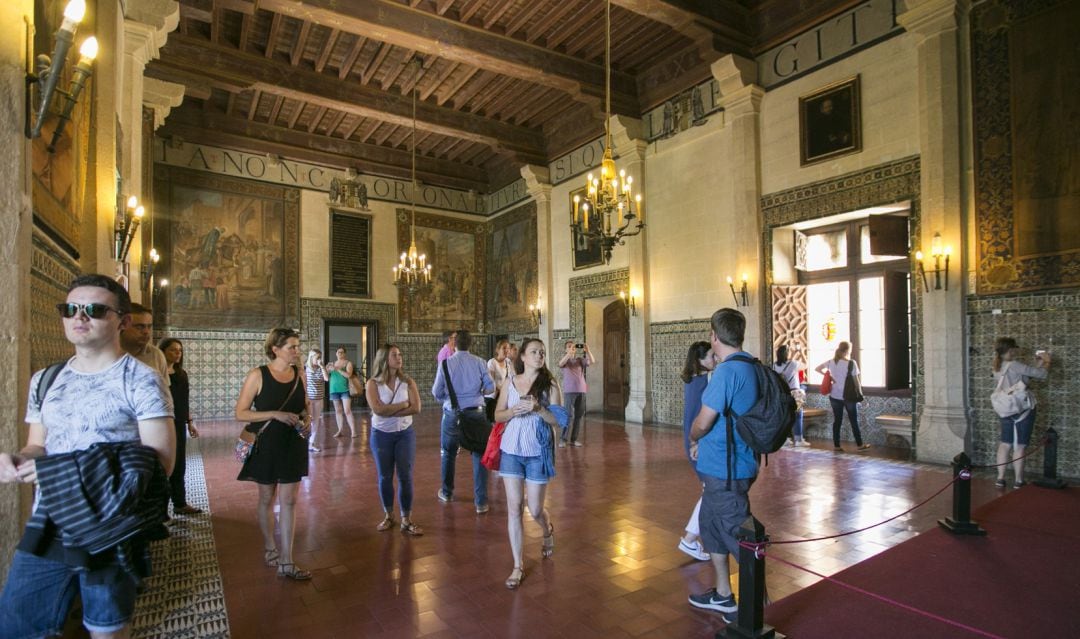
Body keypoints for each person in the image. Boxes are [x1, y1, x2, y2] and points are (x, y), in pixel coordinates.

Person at [0, 274, 176, 638]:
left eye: (94, 310)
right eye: (70, 309)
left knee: (106, 629)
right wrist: (20, 459)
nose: (79, 318)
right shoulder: (45, 379)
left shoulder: (141, 380)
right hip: (51, 519)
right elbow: (39, 445)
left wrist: (65, 471)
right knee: (18, 624)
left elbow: (160, 463)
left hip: (110, 524)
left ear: (121, 321)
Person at [687, 308, 760, 623]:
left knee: (736, 534)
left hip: (728, 469)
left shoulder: (729, 372)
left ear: (714, 336)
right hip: (724, 464)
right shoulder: (749, 365)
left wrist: (693, 436)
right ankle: (723, 595)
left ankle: (753, 608)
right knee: (711, 527)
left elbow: (703, 422)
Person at [235, 327, 312, 580]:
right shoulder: (258, 375)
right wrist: (274, 414)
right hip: (266, 444)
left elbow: (306, 406)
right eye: (292, 347)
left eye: (298, 347)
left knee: (289, 501)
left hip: (292, 444)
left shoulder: (300, 374)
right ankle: (270, 547)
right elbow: (241, 413)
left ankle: (287, 561)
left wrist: (307, 418)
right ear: (275, 349)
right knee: (267, 497)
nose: (297, 351)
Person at [494, 338, 563, 590]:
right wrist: (513, 411)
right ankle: (517, 565)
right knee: (514, 508)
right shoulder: (510, 382)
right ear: (522, 356)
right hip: (511, 450)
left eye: (542, 352)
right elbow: (497, 415)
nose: (539, 355)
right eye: (534, 352)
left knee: (534, 509)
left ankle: (547, 528)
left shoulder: (551, 385)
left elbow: (559, 420)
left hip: (537, 452)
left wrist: (537, 409)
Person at [432, 330, 494, 513]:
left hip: (452, 414)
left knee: (449, 453)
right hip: (476, 412)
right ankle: (481, 502)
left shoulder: (445, 364)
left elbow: (436, 392)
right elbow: (491, 388)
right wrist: (478, 393)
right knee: (479, 455)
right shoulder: (480, 362)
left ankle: (447, 491)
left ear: (454, 344)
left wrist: (449, 397)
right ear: (471, 344)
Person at [365, 344, 423, 535]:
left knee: (405, 476)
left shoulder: (408, 382)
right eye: (394, 355)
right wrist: (403, 404)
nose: (399, 358)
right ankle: (389, 515)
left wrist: (390, 411)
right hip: (381, 435)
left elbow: (416, 408)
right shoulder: (373, 384)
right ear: (384, 359)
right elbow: (378, 410)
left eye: (400, 354)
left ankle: (406, 519)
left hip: (404, 434)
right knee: (385, 476)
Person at [991, 337, 1051, 488]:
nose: (1017, 350)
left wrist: (1038, 364)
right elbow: (1042, 375)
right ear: (1011, 350)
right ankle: (1019, 480)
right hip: (1022, 408)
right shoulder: (1015, 364)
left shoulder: (997, 366)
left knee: (1005, 443)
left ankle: (1000, 478)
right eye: (1015, 348)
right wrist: (1047, 361)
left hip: (1005, 409)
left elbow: (1022, 380)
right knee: (1020, 446)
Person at [677, 341, 715, 562]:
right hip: (698, 443)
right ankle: (690, 539)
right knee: (710, 492)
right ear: (699, 361)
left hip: (694, 441)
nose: (714, 359)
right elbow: (697, 418)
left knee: (710, 491)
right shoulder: (703, 382)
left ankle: (694, 538)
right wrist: (695, 444)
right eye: (710, 356)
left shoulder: (695, 380)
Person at [159, 337, 202, 515]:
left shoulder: (181, 374)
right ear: (162, 352)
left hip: (178, 424)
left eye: (180, 350)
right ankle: (160, 510)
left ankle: (180, 503)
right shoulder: (157, 374)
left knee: (179, 464)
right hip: (161, 424)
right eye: (173, 350)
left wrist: (190, 422)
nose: (177, 353)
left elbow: (183, 402)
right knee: (163, 466)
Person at [815, 341, 869, 452]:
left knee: (837, 421)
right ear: (847, 350)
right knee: (853, 420)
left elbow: (817, 368)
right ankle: (859, 445)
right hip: (849, 396)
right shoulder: (851, 363)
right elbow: (856, 382)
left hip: (835, 396)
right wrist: (861, 396)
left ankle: (837, 445)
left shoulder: (831, 362)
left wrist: (829, 376)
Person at [120, 302, 169, 384]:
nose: (146, 332)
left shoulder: (156, 355)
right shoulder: (104, 354)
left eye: (149, 326)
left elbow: (163, 392)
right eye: (139, 327)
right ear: (123, 326)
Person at [557, 340, 594, 447]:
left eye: (572, 346)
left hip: (581, 391)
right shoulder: (565, 361)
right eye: (569, 346)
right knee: (568, 416)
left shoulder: (580, 360)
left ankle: (573, 440)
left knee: (578, 416)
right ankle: (563, 440)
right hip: (569, 392)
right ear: (565, 349)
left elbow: (592, 361)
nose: (571, 348)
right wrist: (569, 353)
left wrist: (588, 350)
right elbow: (560, 363)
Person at [774, 345, 808, 447]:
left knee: (785, 416)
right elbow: (805, 365)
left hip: (783, 393)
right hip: (795, 392)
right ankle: (798, 439)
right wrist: (801, 352)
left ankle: (786, 439)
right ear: (787, 353)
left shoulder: (775, 365)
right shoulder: (793, 364)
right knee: (798, 416)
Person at [323, 346, 358, 438]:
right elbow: (326, 378)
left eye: (342, 352)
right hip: (334, 390)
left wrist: (337, 369)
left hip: (345, 390)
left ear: (345, 353)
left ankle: (353, 431)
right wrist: (325, 369)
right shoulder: (332, 364)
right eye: (338, 352)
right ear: (336, 353)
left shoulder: (348, 363)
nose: (340, 354)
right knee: (338, 411)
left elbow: (348, 375)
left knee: (347, 411)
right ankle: (340, 430)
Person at [305, 349, 326, 452]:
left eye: (320, 357)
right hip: (309, 399)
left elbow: (326, 379)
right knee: (309, 420)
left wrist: (322, 367)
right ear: (311, 357)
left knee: (316, 421)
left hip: (319, 399)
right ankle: (305, 442)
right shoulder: (306, 368)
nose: (319, 359)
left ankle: (311, 443)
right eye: (317, 357)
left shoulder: (320, 368)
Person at [486, 339, 512, 422]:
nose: (507, 350)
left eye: (508, 348)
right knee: (493, 422)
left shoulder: (508, 362)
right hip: (492, 398)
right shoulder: (492, 362)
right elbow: (491, 381)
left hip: (503, 396)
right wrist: (502, 391)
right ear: (497, 350)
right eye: (504, 348)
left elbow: (510, 378)